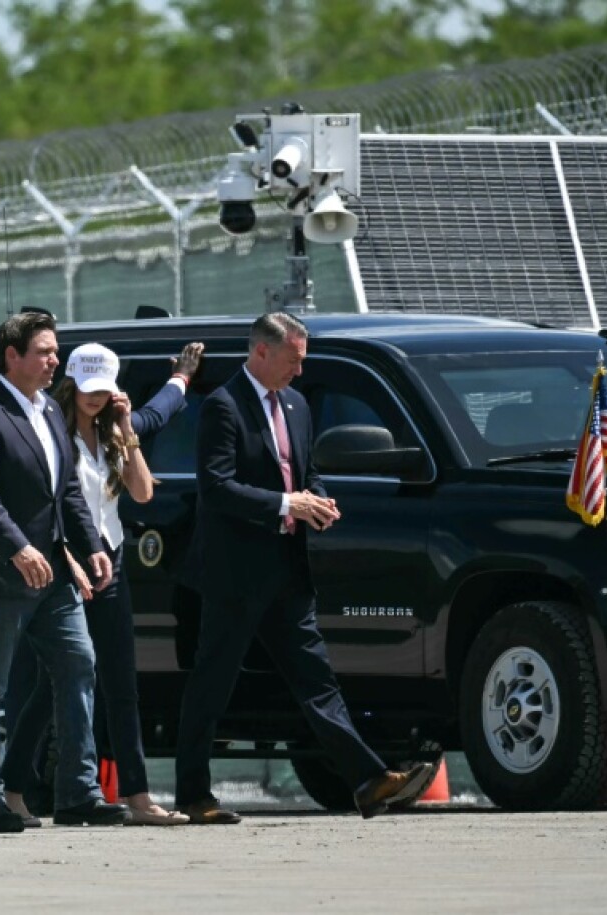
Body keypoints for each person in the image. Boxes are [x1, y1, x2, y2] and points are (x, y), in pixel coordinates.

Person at [174, 312, 433, 824]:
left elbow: (304, 472)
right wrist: (286, 504)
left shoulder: (296, 404)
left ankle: (367, 780)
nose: (299, 370)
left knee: (317, 679)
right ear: (262, 352)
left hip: (287, 570)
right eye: (293, 359)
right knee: (212, 683)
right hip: (234, 575)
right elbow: (217, 488)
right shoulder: (223, 407)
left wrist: (318, 501)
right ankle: (193, 794)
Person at [2, 341, 204, 826]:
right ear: (70, 383)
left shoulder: (116, 430)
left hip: (108, 562)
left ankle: (137, 795)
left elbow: (141, 490)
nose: (94, 398)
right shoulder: (48, 428)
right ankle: (12, 789)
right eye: (86, 389)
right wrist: (68, 556)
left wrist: (131, 425)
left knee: (121, 683)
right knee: (53, 685)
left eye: (104, 391)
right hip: (62, 565)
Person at [0, 310, 126, 833]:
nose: (55, 361)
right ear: (12, 357)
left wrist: (90, 545)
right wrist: (17, 548)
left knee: (78, 664)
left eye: (55, 351)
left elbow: (67, 488)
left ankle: (78, 794)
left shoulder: (50, 409)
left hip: (54, 576)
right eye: (45, 352)